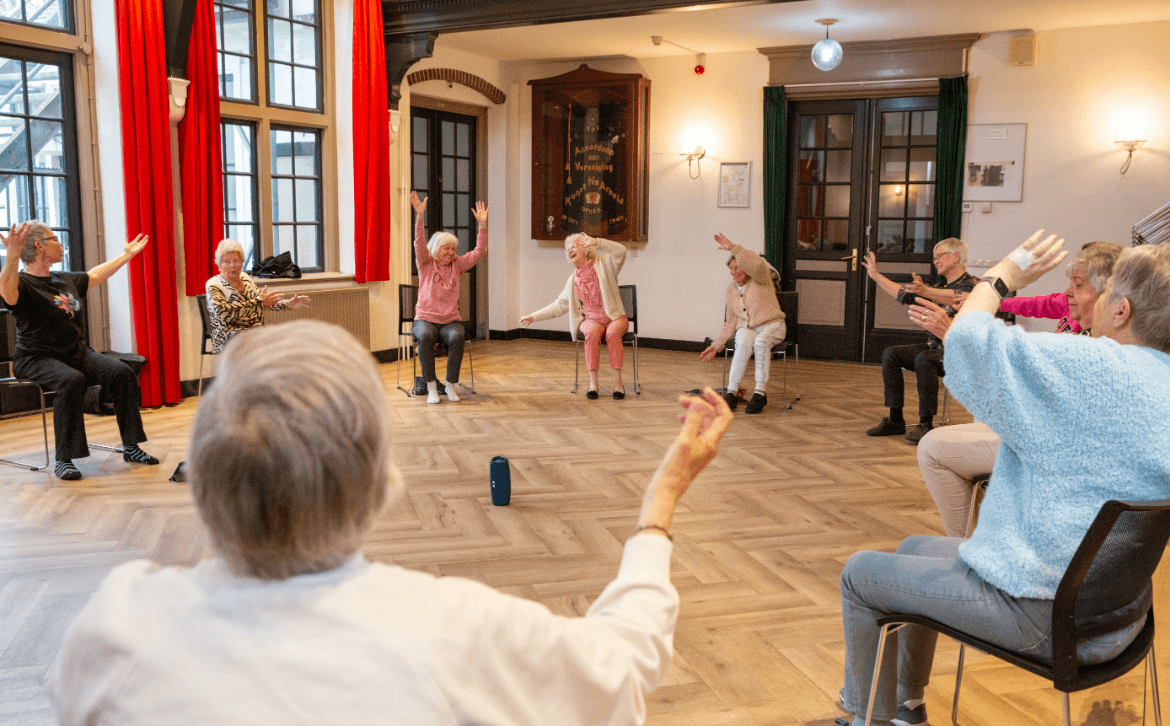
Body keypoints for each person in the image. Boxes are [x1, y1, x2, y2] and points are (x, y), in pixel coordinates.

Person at [49, 319, 735, 726]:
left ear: (202, 475)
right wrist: (661, 499)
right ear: (381, 483)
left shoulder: (118, 624)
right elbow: (626, 661)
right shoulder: (455, 627)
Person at [836, 234, 1170, 726]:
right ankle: (905, 708)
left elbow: (969, 344)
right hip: (1120, 615)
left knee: (860, 574)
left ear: (1120, 310)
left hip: (1046, 614)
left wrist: (1003, 275)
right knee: (910, 546)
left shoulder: (1096, 367)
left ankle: (864, 715)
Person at [909, 241, 1121, 537]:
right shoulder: (1110, 341)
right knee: (974, 418)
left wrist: (957, 328)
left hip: (1056, 449)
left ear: (1111, 297)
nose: (1067, 293)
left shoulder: (1089, 349)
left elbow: (1018, 384)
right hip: (1054, 435)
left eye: (1077, 284)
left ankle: (970, 550)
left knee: (931, 448)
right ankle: (987, 532)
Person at [0, 221, 160, 481]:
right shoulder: (23, 284)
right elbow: (5, 291)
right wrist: (13, 255)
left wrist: (127, 256)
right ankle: (64, 458)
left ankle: (131, 447)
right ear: (40, 246)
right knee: (71, 380)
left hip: (76, 353)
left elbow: (95, 275)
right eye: (55, 239)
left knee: (121, 372)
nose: (61, 244)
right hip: (35, 358)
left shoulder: (63, 279)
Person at [862, 238, 978, 444]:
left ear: (956, 256)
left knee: (925, 359)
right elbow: (902, 294)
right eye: (934, 258)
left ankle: (926, 423)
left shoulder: (973, 285)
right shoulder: (939, 285)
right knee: (892, 354)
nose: (935, 261)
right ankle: (895, 419)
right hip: (935, 347)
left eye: (939, 256)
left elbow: (955, 297)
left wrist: (925, 291)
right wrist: (875, 275)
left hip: (961, 353)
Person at [520, 231, 629, 399]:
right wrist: (534, 316)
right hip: (592, 319)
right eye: (567, 249)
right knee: (591, 333)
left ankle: (618, 385)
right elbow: (559, 306)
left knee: (613, 333)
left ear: (587, 249)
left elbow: (621, 251)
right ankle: (593, 384)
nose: (569, 250)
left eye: (573, 246)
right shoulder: (573, 280)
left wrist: (597, 241)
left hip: (614, 318)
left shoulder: (605, 264)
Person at [410, 192, 488, 404]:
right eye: (447, 248)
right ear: (437, 248)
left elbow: (479, 252)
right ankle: (432, 387)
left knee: (457, 336)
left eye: (453, 248)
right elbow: (419, 243)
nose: (451, 252)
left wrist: (482, 226)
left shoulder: (458, 265)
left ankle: (451, 386)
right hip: (424, 318)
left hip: (449, 320)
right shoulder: (426, 263)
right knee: (425, 336)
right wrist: (419, 217)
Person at [698, 233, 786, 414]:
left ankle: (760, 393)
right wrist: (717, 344)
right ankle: (731, 392)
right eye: (731, 268)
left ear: (747, 268)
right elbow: (731, 321)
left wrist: (734, 248)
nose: (734, 272)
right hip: (749, 328)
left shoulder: (761, 278)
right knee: (743, 339)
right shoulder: (731, 289)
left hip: (773, 325)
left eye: (738, 267)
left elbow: (759, 263)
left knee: (761, 342)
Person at [205, 238, 310, 354]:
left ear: (242, 262)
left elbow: (264, 302)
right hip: (227, 336)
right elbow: (223, 314)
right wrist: (257, 303)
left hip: (254, 333)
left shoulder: (245, 278)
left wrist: (288, 303)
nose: (232, 265)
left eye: (236, 261)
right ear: (219, 264)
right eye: (227, 262)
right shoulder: (214, 284)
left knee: (286, 341)